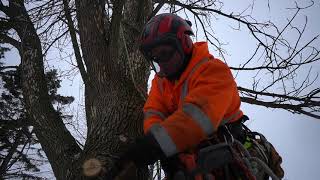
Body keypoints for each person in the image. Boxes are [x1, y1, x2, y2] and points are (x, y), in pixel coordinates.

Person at [106, 13, 282, 180]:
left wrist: (153, 146)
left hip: (225, 156)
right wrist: (159, 146)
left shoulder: (212, 70)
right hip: (188, 160)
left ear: (183, 44)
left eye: (165, 53)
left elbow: (197, 117)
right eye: (155, 58)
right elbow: (153, 112)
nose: (162, 63)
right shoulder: (161, 82)